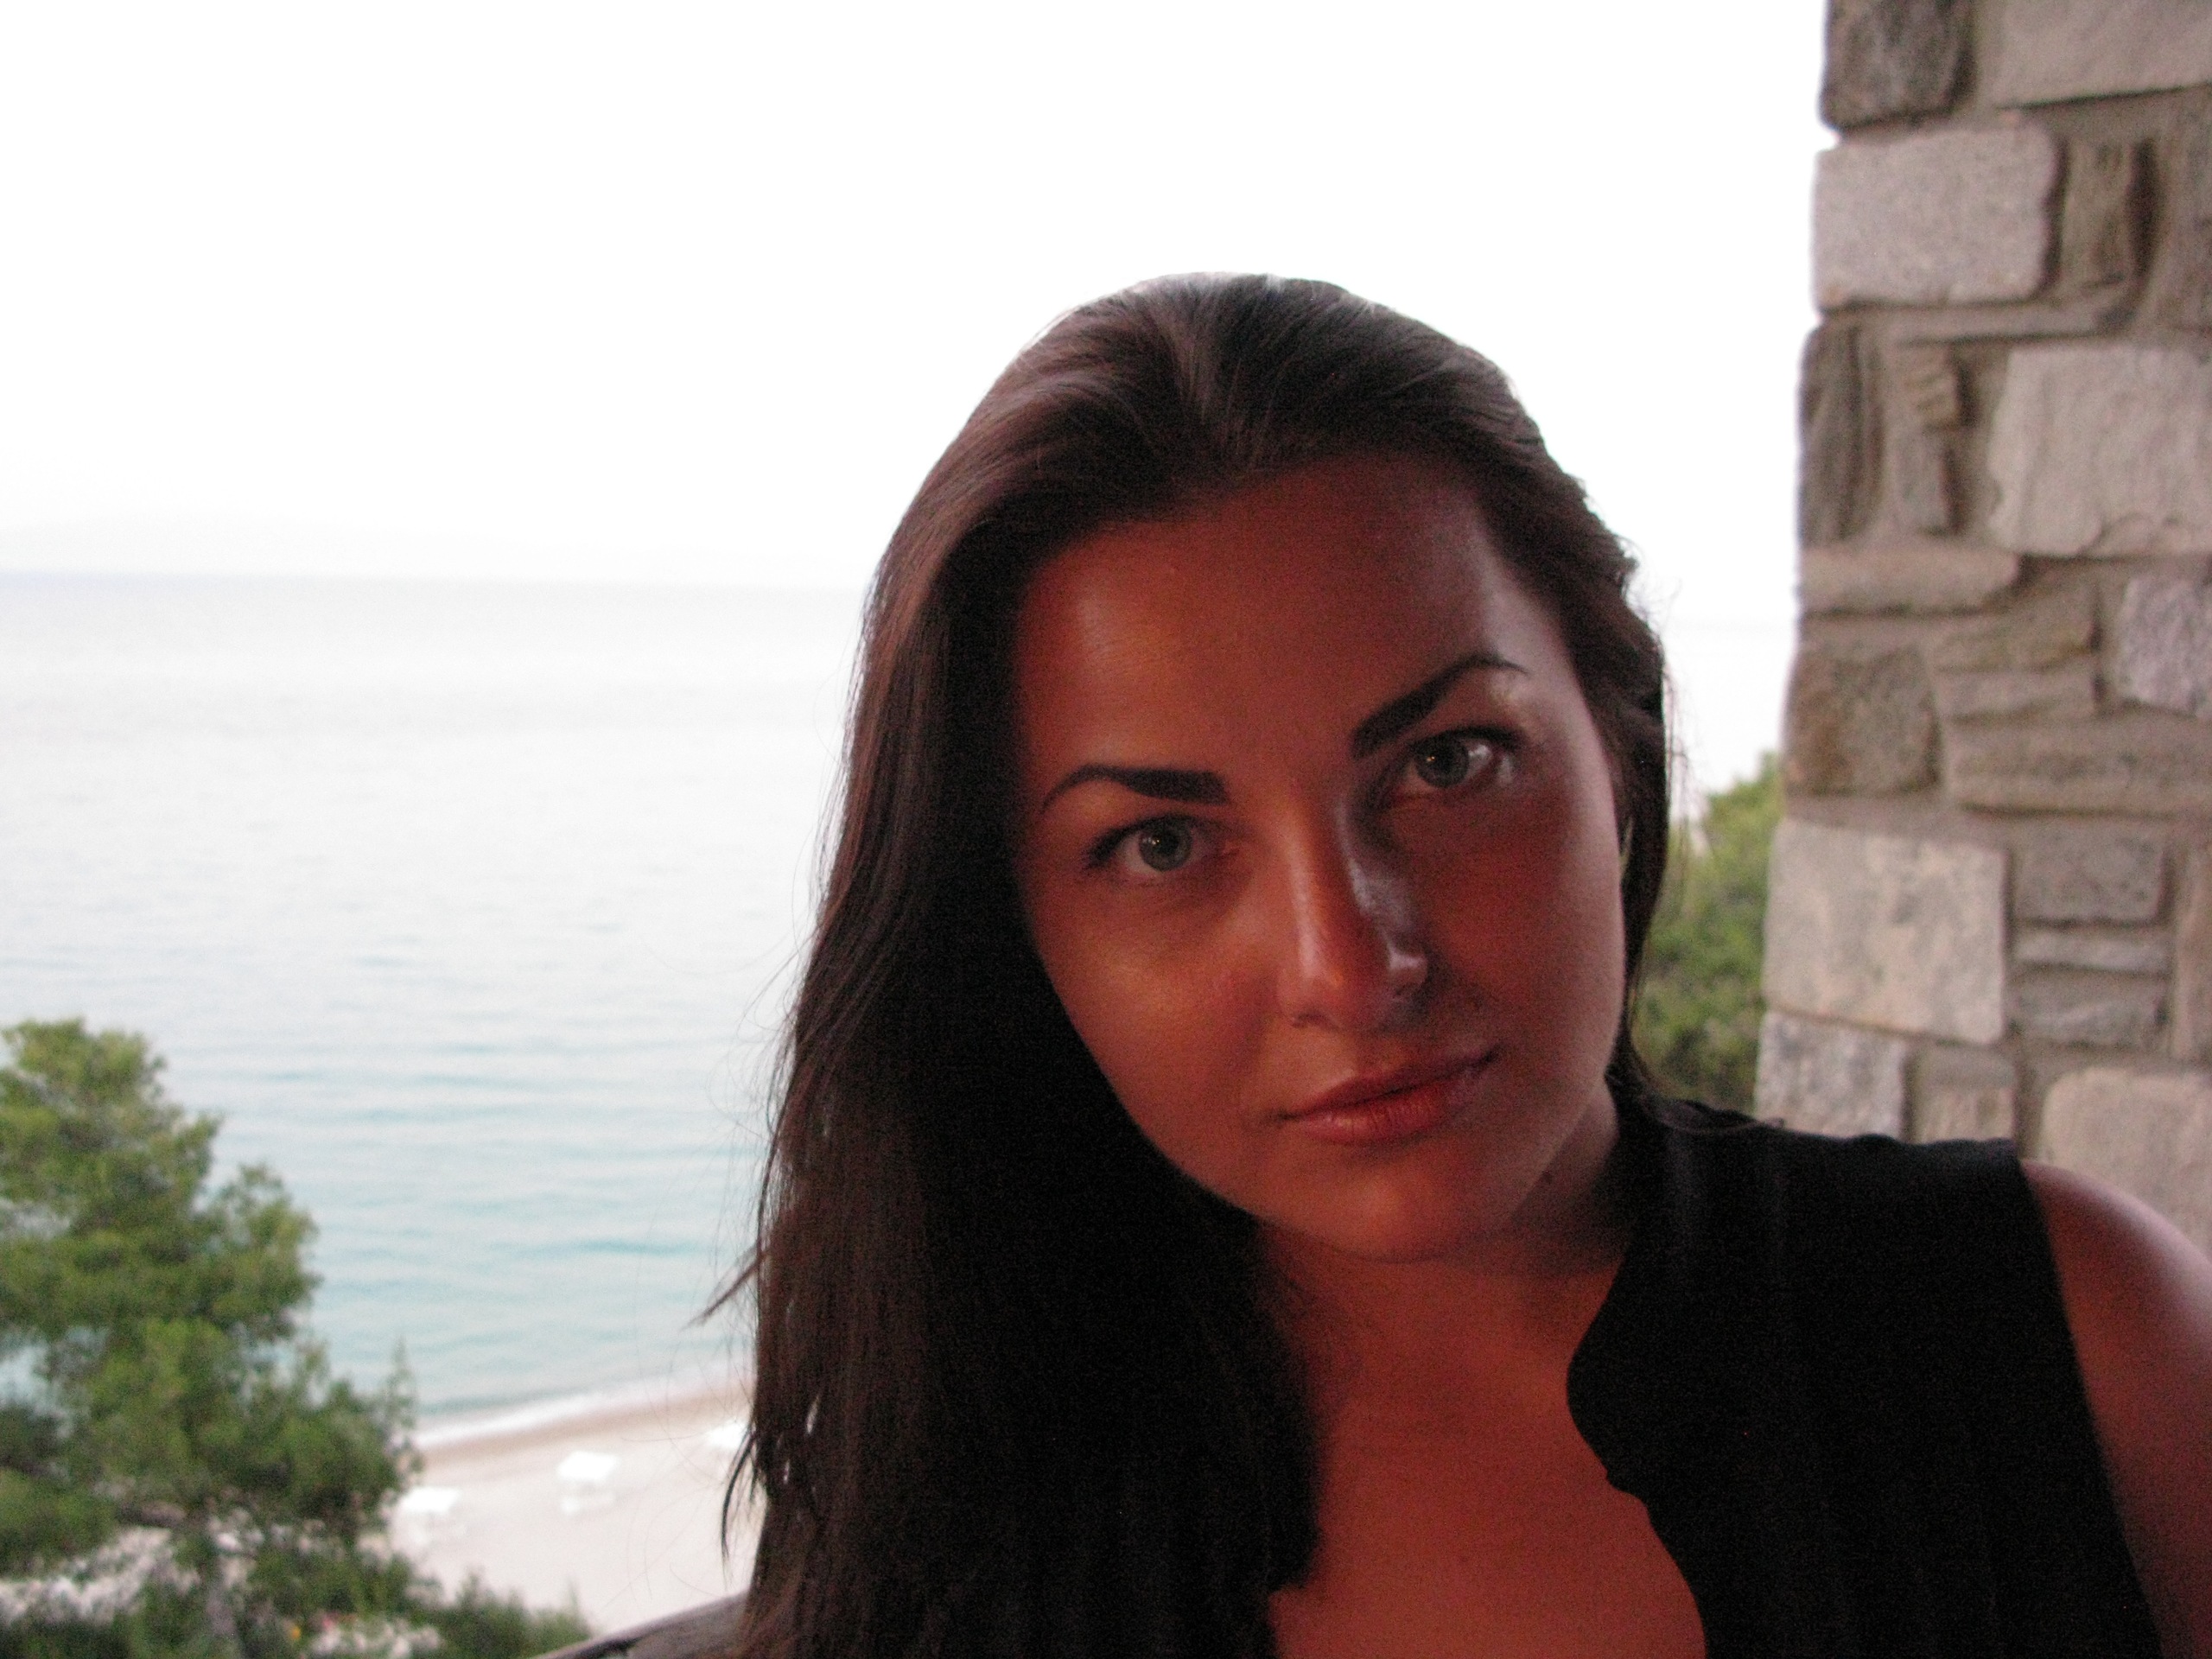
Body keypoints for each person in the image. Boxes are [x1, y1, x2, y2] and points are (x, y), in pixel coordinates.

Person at [720, 274, 2212, 1658]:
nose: (1352, 969)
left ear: (1620, 751)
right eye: (1163, 846)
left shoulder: (2071, 1347)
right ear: (1015, 927)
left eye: (1449, 763)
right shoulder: (942, 1510)